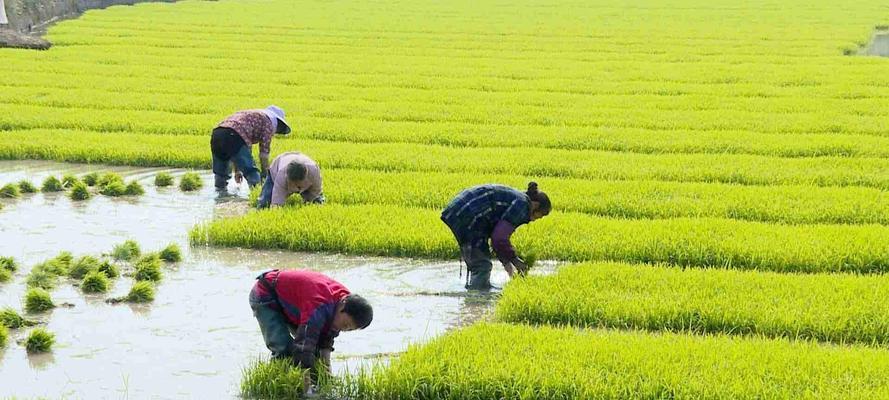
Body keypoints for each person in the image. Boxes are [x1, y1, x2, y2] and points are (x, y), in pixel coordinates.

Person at [249, 269, 372, 393]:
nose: (344, 329)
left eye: (349, 329)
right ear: (342, 306)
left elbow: (326, 339)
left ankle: (311, 383)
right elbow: (304, 346)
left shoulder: (345, 302)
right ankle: (275, 387)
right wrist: (307, 390)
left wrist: (327, 374)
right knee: (285, 349)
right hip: (266, 295)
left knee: (316, 353)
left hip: (292, 303)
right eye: (345, 325)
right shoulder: (320, 304)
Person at [440, 182, 551, 290]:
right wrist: (515, 260)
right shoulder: (522, 206)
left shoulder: (519, 200)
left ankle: (476, 292)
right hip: (469, 214)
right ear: (535, 205)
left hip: (462, 211)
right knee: (482, 266)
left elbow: (497, 241)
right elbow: (499, 238)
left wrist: (511, 272)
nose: (534, 220)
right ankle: (476, 301)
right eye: (538, 216)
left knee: (479, 262)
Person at [211, 105, 292, 191]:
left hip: (217, 133)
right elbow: (264, 154)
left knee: (221, 174)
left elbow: (236, 150)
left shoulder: (252, 115)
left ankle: (220, 196)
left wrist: (238, 170)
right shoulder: (268, 123)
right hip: (235, 136)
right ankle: (258, 194)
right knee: (251, 172)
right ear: (278, 122)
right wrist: (266, 176)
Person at [256, 151, 324, 208]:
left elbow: (316, 191)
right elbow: (276, 204)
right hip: (277, 166)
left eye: (298, 185)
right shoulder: (281, 176)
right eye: (293, 184)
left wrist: (310, 201)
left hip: (300, 162)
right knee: (264, 203)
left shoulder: (314, 172)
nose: (296, 188)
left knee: (317, 202)